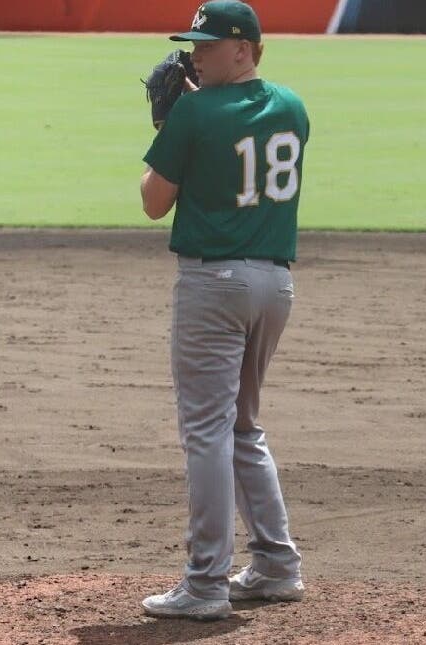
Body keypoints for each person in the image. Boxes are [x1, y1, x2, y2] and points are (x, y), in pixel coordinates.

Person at [137, 0, 310, 621]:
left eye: (208, 45)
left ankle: (205, 582)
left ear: (245, 48)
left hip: (214, 285)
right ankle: (275, 565)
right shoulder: (292, 106)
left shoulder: (195, 111)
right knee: (241, 426)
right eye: (194, 45)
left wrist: (169, 124)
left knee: (207, 432)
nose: (194, 55)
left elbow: (155, 202)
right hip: (274, 286)